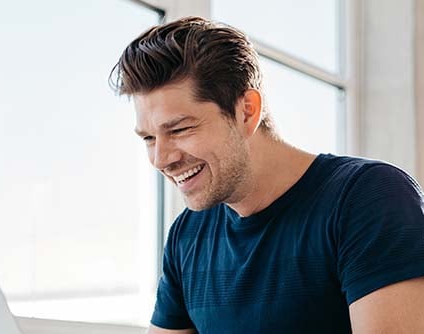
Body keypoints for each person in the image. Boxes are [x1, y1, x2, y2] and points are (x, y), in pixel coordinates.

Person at [109, 16, 424, 333]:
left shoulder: (368, 198)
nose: (161, 158)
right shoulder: (187, 235)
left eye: (179, 129)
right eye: (148, 138)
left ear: (246, 111)